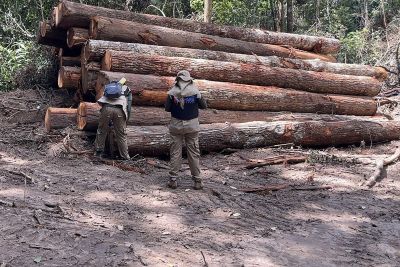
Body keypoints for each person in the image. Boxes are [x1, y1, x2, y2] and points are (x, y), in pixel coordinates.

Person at [165, 70, 207, 190]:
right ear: (189, 80)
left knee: (175, 152)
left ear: (177, 80)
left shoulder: (172, 92)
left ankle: (173, 179)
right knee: (193, 152)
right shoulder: (195, 91)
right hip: (192, 126)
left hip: (176, 125)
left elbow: (167, 108)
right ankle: (197, 180)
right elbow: (204, 106)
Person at [94, 78, 132, 160]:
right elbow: (128, 105)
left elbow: (101, 101)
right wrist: (127, 118)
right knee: (121, 135)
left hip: (106, 108)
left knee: (101, 130)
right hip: (119, 110)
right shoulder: (127, 89)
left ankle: (98, 153)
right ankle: (125, 157)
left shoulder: (108, 87)